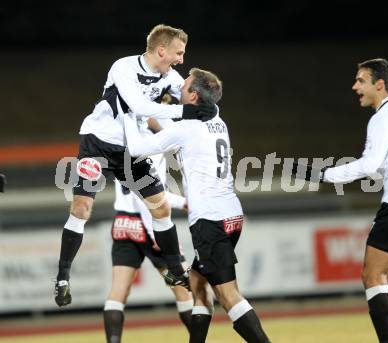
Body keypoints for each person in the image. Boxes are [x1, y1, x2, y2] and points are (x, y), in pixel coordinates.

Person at [54, 24, 215, 307]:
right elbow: (141, 107)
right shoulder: (124, 67)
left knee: (161, 207)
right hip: (99, 143)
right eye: (178, 53)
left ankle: (175, 271)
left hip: (131, 151)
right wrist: (188, 111)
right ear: (161, 50)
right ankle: (63, 277)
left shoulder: (169, 75)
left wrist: (211, 108)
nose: (181, 59)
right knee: (82, 208)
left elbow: (192, 94)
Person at [123, 68, 271, 343]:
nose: (179, 90)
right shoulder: (217, 119)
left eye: (184, 86)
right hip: (231, 215)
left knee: (229, 296)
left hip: (209, 219)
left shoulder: (187, 127)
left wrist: (130, 115)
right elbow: (176, 132)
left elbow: (136, 149)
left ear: (193, 95)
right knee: (198, 286)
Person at [310, 58, 388, 343]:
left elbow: (369, 166)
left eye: (361, 81)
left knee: (372, 276)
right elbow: (387, 163)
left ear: (379, 84)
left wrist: (325, 175)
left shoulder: (382, 117)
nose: (355, 86)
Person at [103, 94, 193, 342]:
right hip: (148, 223)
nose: (167, 114)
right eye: (163, 107)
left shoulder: (124, 139)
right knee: (185, 291)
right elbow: (150, 197)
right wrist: (156, 233)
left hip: (124, 223)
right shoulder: (150, 145)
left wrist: (182, 202)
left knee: (118, 294)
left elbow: (150, 192)